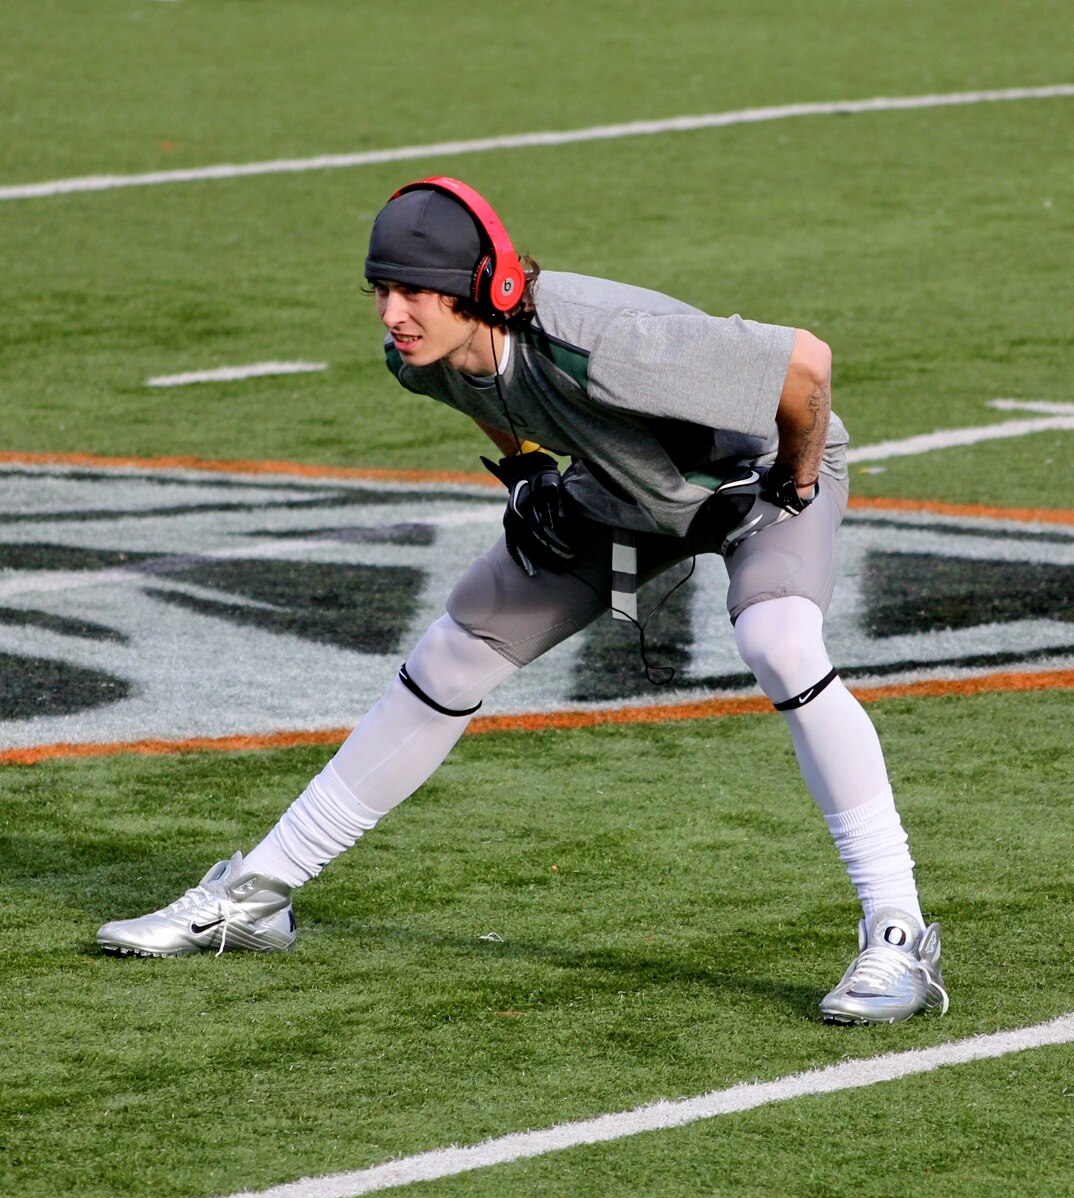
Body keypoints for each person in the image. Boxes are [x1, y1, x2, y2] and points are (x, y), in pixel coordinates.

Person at [98, 176, 948, 1026]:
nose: (394, 312)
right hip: (621, 494)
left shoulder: (608, 342)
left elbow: (807, 366)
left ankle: (898, 931)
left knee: (782, 645)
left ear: (487, 291)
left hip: (751, 484)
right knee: (451, 653)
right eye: (382, 291)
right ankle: (259, 897)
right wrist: (529, 470)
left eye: (415, 292)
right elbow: (483, 392)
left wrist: (796, 482)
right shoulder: (421, 358)